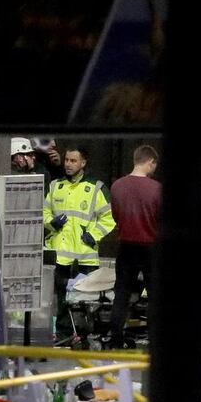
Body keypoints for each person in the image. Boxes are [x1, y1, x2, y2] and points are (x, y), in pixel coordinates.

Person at [43, 146, 115, 343]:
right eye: (66, 160)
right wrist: (51, 223)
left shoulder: (95, 188)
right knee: (62, 299)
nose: (67, 164)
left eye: (73, 161)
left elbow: (109, 217)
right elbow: (44, 212)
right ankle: (64, 334)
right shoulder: (55, 186)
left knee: (86, 300)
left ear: (83, 163)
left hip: (84, 254)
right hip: (60, 254)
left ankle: (85, 335)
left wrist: (93, 235)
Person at [105, 145, 161, 349]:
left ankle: (116, 338)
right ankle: (156, 341)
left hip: (126, 246)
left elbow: (116, 216)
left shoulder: (117, 186)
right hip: (151, 247)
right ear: (150, 162)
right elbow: (160, 219)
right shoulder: (157, 189)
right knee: (155, 295)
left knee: (122, 293)